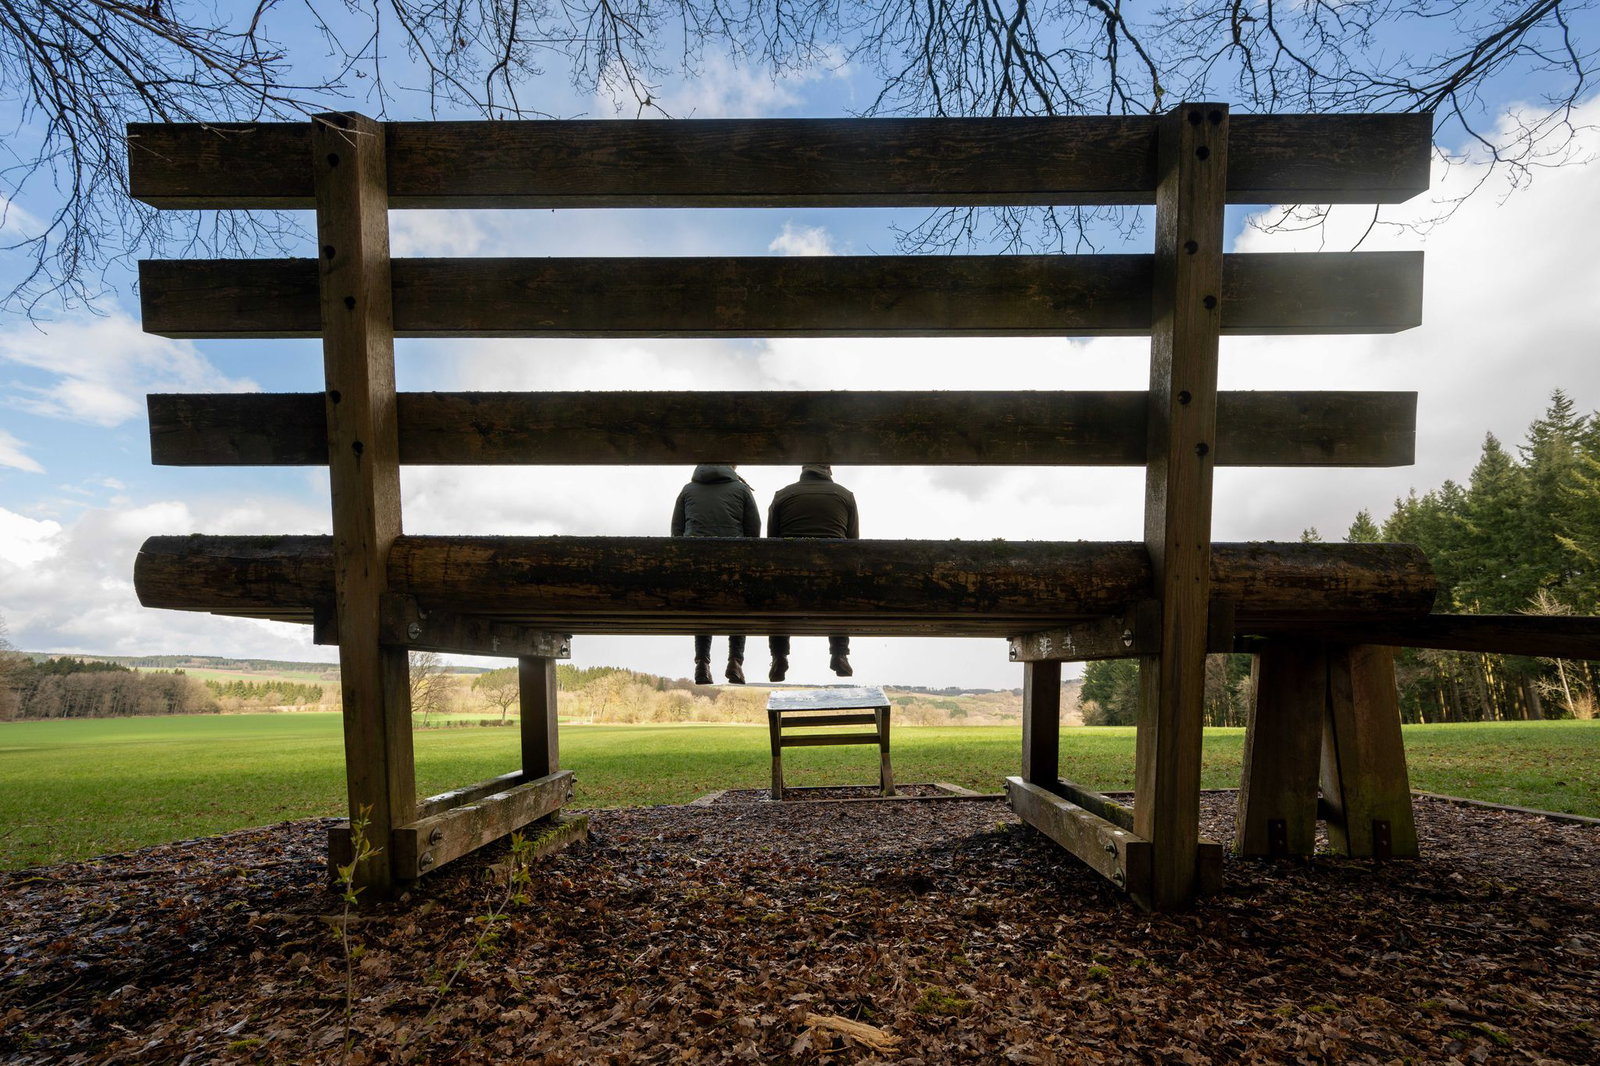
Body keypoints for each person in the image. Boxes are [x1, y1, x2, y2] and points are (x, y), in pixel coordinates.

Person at [766, 464, 859, 681]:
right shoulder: (846, 496)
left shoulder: (782, 495)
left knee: (777, 588)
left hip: (789, 585)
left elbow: (770, 545)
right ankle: (840, 654)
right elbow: (853, 545)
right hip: (831, 586)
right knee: (842, 585)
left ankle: (779, 656)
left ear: (804, 470)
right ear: (829, 470)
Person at [671, 463, 761, 684]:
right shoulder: (741, 490)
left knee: (703, 604)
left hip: (697, 568)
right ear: (732, 466)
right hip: (733, 568)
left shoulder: (688, 490)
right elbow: (754, 532)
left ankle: (702, 663)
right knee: (739, 602)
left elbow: (676, 534)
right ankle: (735, 662)